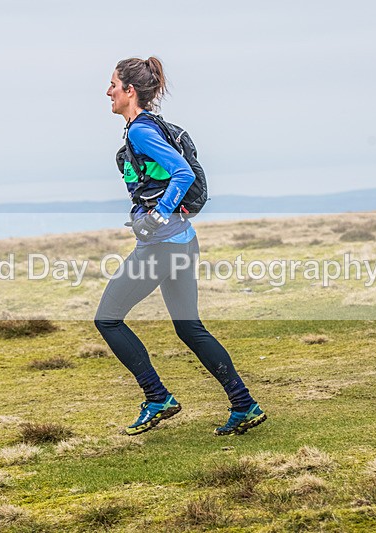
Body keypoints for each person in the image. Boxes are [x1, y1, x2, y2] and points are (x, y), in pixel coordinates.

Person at [94, 56, 266, 436]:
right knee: (189, 327)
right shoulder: (147, 127)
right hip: (184, 241)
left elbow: (182, 171)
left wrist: (157, 215)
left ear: (129, 90)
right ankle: (244, 404)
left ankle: (157, 397)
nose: (107, 92)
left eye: (112, 85)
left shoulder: (141, 130)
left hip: (161, 246)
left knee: (107, 319)